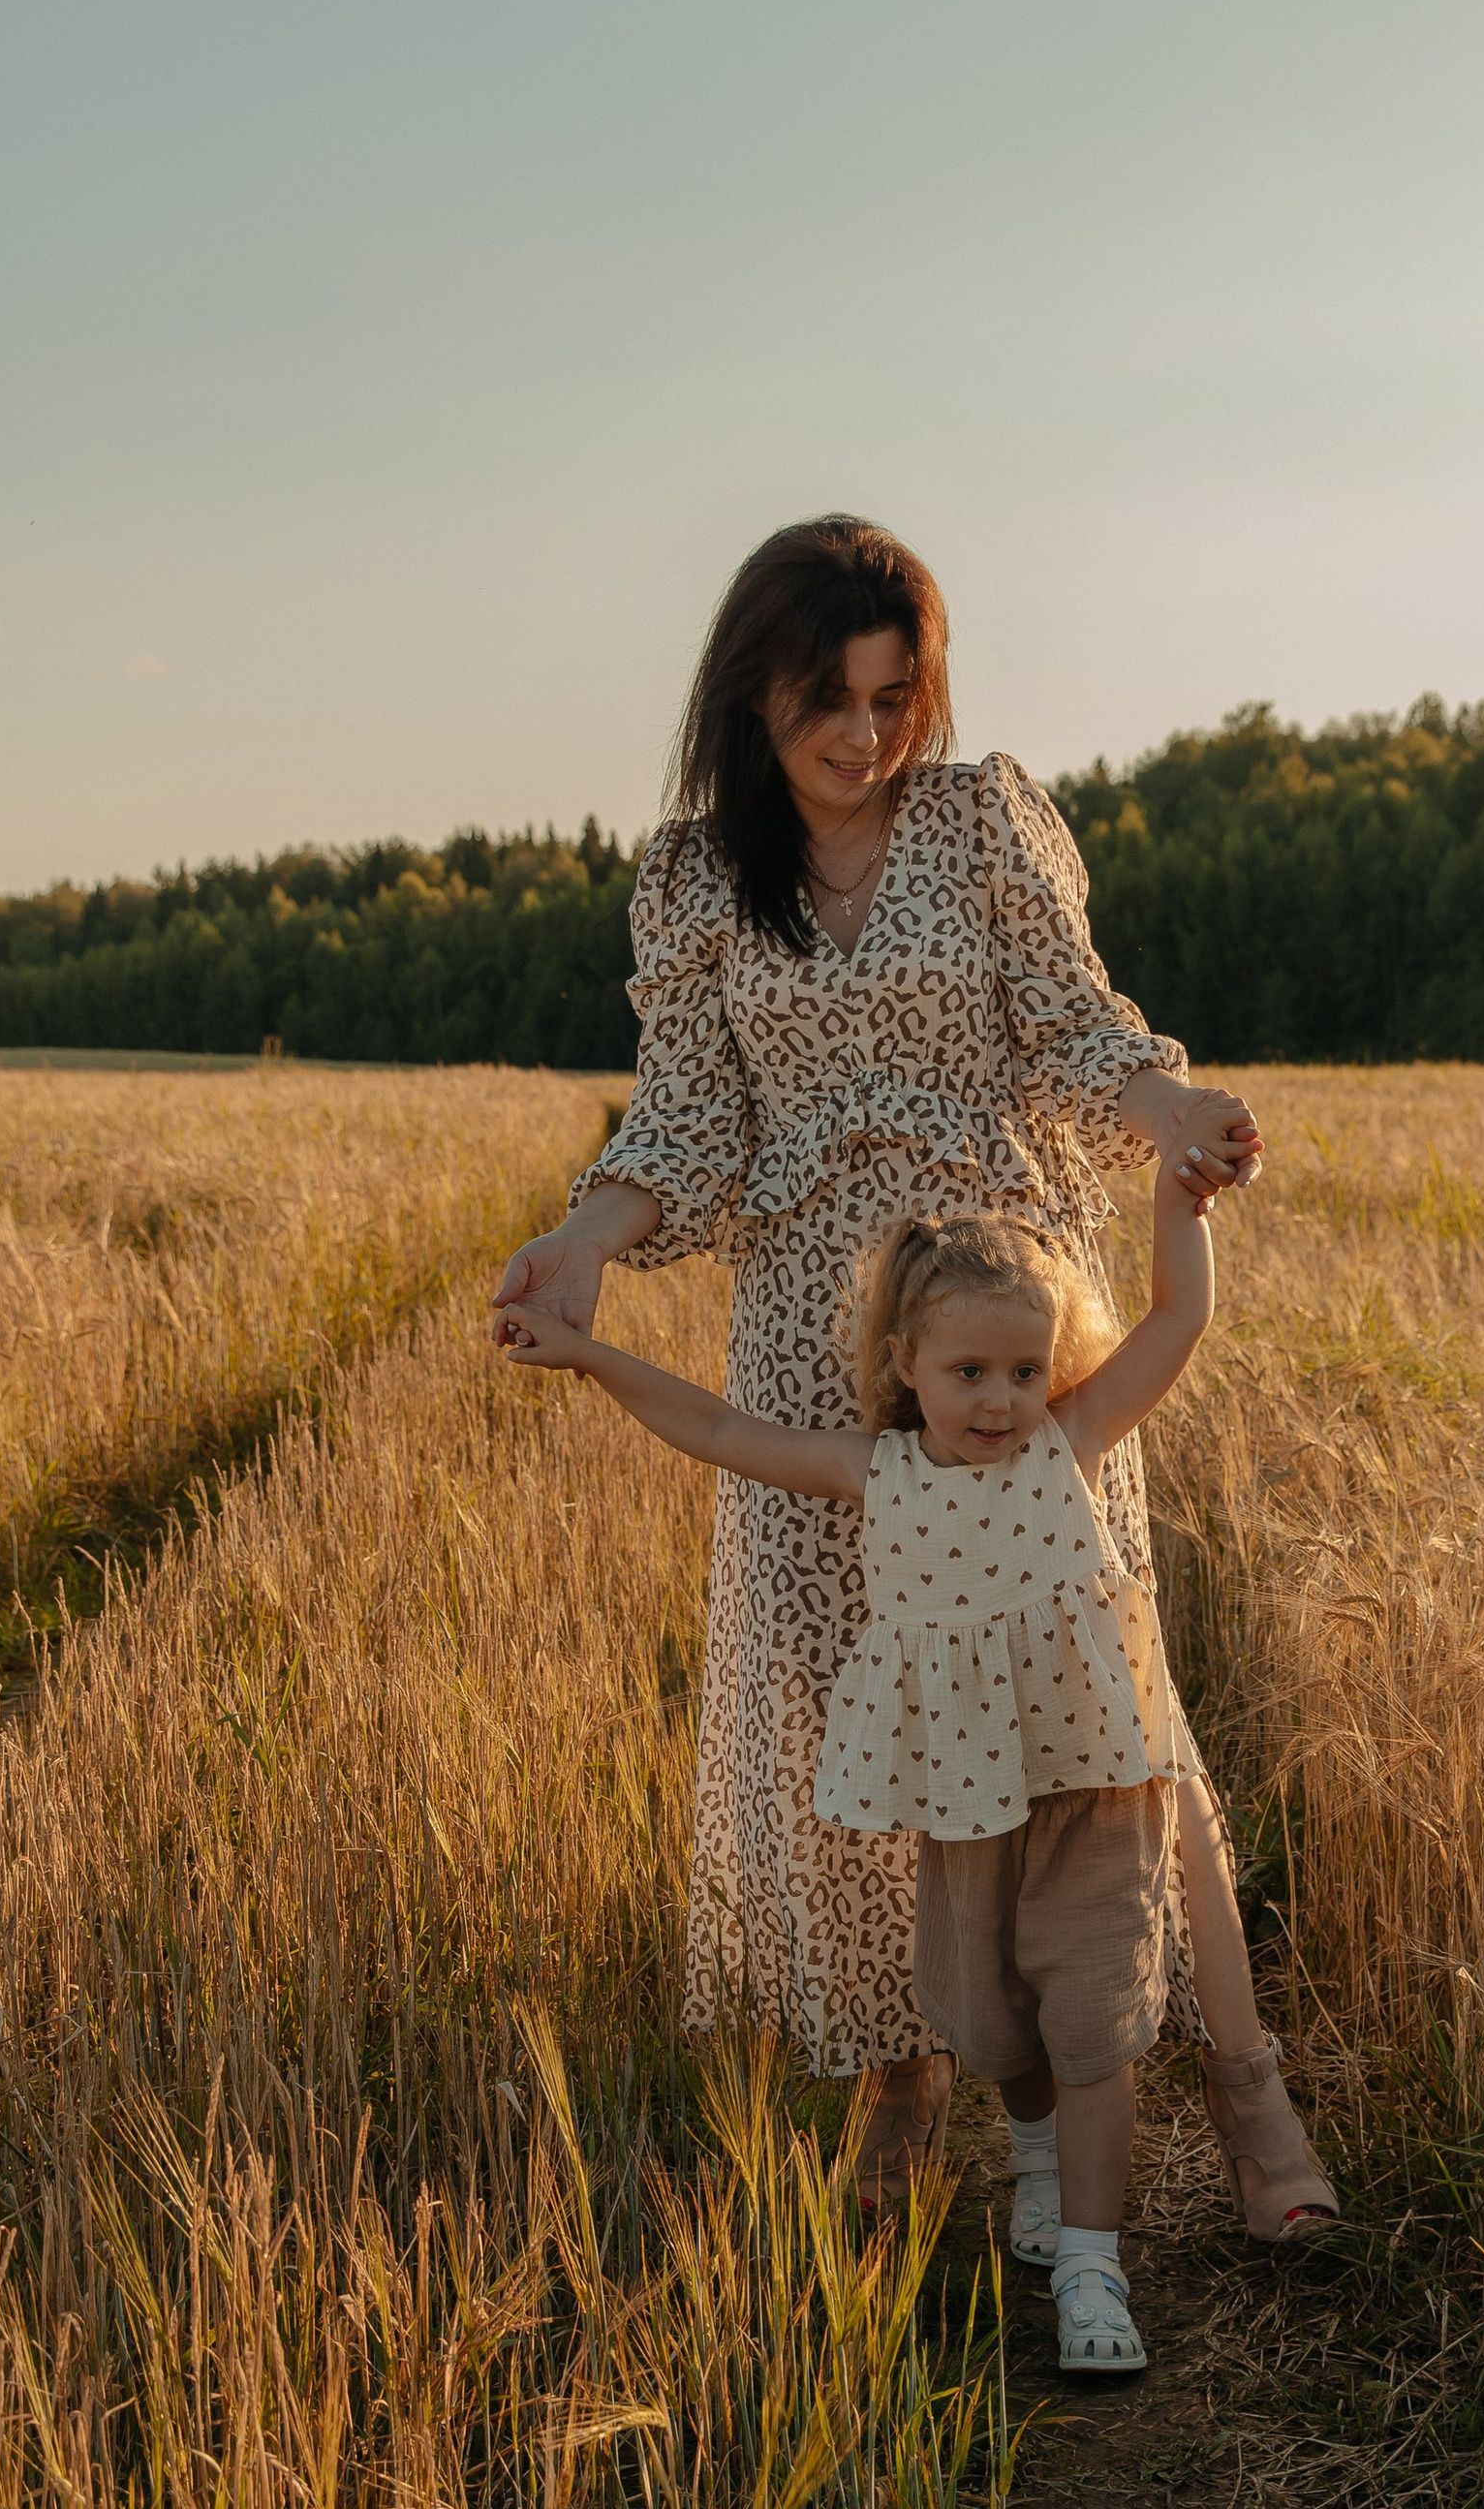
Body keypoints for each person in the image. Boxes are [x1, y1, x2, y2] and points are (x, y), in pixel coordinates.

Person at [487, 513, 1335, 2242]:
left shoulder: (979, 820)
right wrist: (587, 1236)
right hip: (815, 1336)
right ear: (754, 695)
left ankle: (1248, 2094)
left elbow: (1078, 1033)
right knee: (850, 1724)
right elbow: (690, 1123)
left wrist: (1168, 1112)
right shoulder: (697, 881)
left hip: (998, 1324)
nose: (867, 734)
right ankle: (908, 2074)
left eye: (896, 693)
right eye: (830, 697)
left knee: (1111, 1718)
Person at [500, 1162, 1227, 2375]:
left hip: (1098, 1777)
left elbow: (1175, 1319)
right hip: (967, 1789)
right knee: (989, 2014)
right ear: (903, 1364)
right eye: (967, 1373)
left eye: (1022, 1371)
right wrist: (592, 1360)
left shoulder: (1071, 1443)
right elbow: (721, 1432)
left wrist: (1178, 1205)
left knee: (1094, 2013)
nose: (999, 1401)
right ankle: (1035, 2155)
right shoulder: (874, 1473)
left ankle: (1094, 2267)